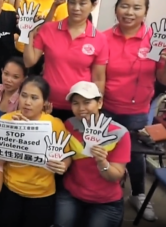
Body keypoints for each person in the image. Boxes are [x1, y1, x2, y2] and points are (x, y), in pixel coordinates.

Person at [101, 0, 166, 221]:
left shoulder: (156, 42)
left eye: (137, 7)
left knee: (134, 156)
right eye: (124, 6)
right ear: (116, 8)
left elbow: (164, 81)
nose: (129, 12)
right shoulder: (102, 38)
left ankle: (137, 194)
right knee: (100, 150)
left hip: (136, 111)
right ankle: (99, 194)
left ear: (146, 12)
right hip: (104, 108)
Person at [0, 76, 71, 227]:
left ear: (45, 102)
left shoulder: (54, 124)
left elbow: (66, 156)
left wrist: (63, 165)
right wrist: (12, 132)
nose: (27, 102)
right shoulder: (6, 120)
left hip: (42, 194)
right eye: (24, 95)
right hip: (10, 190)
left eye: (34, 98)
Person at [23, 0, 108, 121]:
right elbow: (29, 61)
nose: (76, 8)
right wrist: (28, 33)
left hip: (80, 109)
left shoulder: (100, 38)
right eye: (72, 2)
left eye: (82, 3)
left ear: (93, 5)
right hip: (47, 104)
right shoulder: (49, 29)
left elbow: (98, 78)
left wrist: (96, 109)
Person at [54, 81, 130, 227]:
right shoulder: (69, 124)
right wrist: (61, 164)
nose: (81, 108)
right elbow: (69, 155)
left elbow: (116, 175)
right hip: (71, 193)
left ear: (99, 102)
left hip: (105, 202)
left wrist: (102, 162)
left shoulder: (119, 133)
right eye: (75, 103)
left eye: (87, 102)